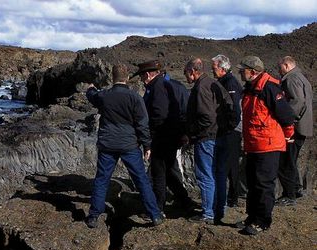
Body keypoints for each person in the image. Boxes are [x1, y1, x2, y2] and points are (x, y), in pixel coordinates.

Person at [84, 64, 163, 228]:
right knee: (141, 180)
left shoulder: (105, 96)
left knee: (101, 179)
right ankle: (155, 215)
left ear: (112, 78)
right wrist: (147, 145)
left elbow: (92, 96)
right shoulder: (135, 97)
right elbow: (142, 124)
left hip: (108, 144)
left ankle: (93, 216)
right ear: (127, 78)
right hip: (129, 145)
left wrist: (90, 89)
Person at [236, 56, 295, 235]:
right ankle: (252, 216)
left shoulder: (269, 87)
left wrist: (288, 135)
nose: (240, 72)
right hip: (254, 144)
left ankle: (263, 221)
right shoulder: (251, 88)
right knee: (253, 183)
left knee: (264, 184)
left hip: (268, 144)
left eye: (242, 70)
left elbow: (285, 115)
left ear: (252, 72)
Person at [132, 60, 193, 216]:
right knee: (169, 171)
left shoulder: (157, 88)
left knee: (158, 173)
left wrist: (150, 137)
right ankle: (184, 200)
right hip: (172, 136)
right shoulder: (167, 85)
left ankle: (158, 208)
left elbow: (159, 115)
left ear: (147, 75)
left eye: (141, 76)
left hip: (162, 137)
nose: (141, 80)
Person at [184, 58, 232, 224]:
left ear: (192, 71)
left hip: (207, 137)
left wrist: (197, 133)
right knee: (218, 174)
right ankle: (219, 209)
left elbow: (206, 115)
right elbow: (229, 105)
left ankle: (208, 214)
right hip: (220, 136)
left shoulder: (201, 87)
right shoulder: (213, 84)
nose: (186, 78)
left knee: (205, 175)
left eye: (186, 73)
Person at [276, 56, 313, 206]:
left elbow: (298, 101)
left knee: (285, 161)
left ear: (286, 65)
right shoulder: (301, 77)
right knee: (290, 159)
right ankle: (296, 189)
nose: (279, 71)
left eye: (280, 67)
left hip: (294, 127)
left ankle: (289, 195)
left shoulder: (291, 79)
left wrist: (287, 119)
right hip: (302, 126)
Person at [211, 55, 244, 208]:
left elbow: (235, 108)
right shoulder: (225, 82)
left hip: (231, 130)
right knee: (229, 164)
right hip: (229, 128)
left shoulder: (230, 83)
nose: (213, 71)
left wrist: (229, 126)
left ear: (223, 69)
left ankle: (232, 197)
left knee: (231, 165)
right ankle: (230, 197)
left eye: (214, 68)